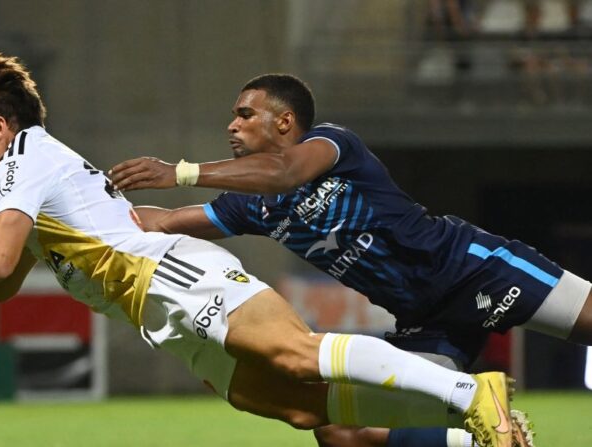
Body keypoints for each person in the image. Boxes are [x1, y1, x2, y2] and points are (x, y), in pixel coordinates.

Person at [0, 53, 522, 447]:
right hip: (154, 310)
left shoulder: (22, 160)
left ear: (0, 126)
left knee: (296, 351)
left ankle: (469, 389)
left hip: (169, 274)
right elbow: (1, 279)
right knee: (299, 408)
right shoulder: (22, 185)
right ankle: (470, 436)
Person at [107, 73, 591, 447]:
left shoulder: (331, 143)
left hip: (472, 268)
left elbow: (284, 172)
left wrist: (182, 171)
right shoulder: (249, 204)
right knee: (341, 432)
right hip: (424, 318)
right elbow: (162, 223)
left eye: (245, 114)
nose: (232, 124)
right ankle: (490, 438)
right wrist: (76, 202)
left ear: (284, 121)